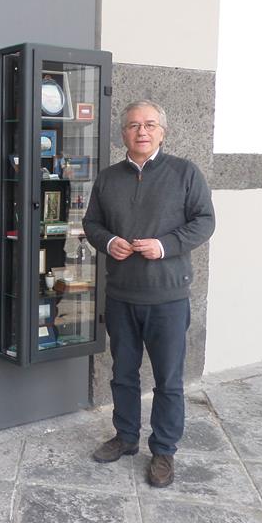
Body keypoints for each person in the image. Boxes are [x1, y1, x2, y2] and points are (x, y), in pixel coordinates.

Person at [82, 99, 215, 487]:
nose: (142, 131)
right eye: (134, 125)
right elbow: (91, 224)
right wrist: (108, 243)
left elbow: (205, 221)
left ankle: (163, 451)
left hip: (168, 298)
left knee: (168, 380)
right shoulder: (108, 178)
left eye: (150, 125)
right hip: (122, 295)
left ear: (162, 131)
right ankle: (125, 437)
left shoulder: (185, 173)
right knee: (123, 374)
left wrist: (165, 245)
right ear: (123, 132)